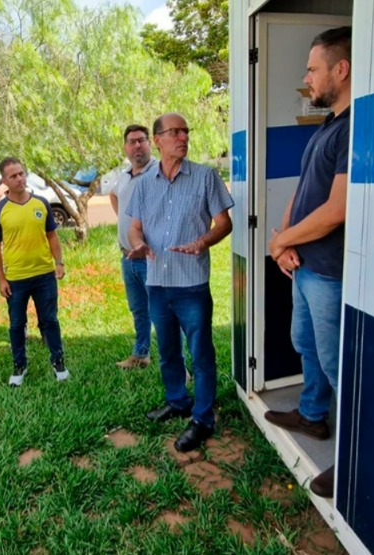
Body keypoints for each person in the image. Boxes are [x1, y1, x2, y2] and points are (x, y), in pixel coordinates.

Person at [264, 26, 352, 499]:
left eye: (313, 68)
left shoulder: (355, 125)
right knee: (305, 342)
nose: (307, 78)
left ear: (341, 68)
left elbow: (337, 210)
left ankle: (356, 459)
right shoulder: (328, 125)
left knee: (338, 364)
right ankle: (313, 416)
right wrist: (282, 240)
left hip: (329, 270)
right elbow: (302, 193)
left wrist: (282, 243)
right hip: (305, 263)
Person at [127, 112, 234, 453]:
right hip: (157, 282)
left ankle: (203, 418)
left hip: (191, 284)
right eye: (174, 132)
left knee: (201, 352)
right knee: (168, 350)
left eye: (186, 131)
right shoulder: (143, 184)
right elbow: (135, 226)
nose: (183, 137)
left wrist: (204, 241)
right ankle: (177, 401)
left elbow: (224, 223)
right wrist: (138, 244)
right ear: (157, 140)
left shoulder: (205, 177)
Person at [0, 157, 70, 387]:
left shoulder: (41, 204)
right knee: (16, 324)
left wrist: (59, 262)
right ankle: (19, 365)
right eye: (13, 176)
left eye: (21, 173)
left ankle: (58, 361)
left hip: (44, 275)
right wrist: (1, 279)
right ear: (4, 180)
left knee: (50, 320)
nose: (19, 179)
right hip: (16, 279)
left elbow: (52, 235)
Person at [110, 124, 158, 369]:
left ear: (150, 143)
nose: (137, 145)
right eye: (132, 141)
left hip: (152, 258)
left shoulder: (159, 172)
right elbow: (114, 195)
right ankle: (141, 355)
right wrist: (125, 222)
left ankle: (178, 366)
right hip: (128, 258)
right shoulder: (125, 175)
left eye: (141, 140)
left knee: (164, 313)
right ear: (125, 147)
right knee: (139, 310)